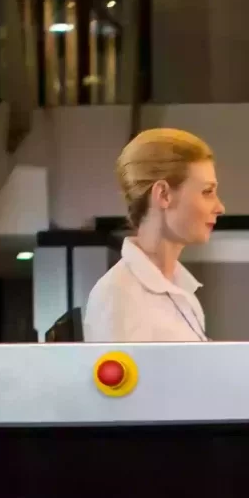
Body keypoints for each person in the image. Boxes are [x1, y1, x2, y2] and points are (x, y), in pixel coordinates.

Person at [83, 128, 225, 343]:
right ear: (163, 195)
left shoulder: (184, 292)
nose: (220, 207)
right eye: (207, 192)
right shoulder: (118, 295)